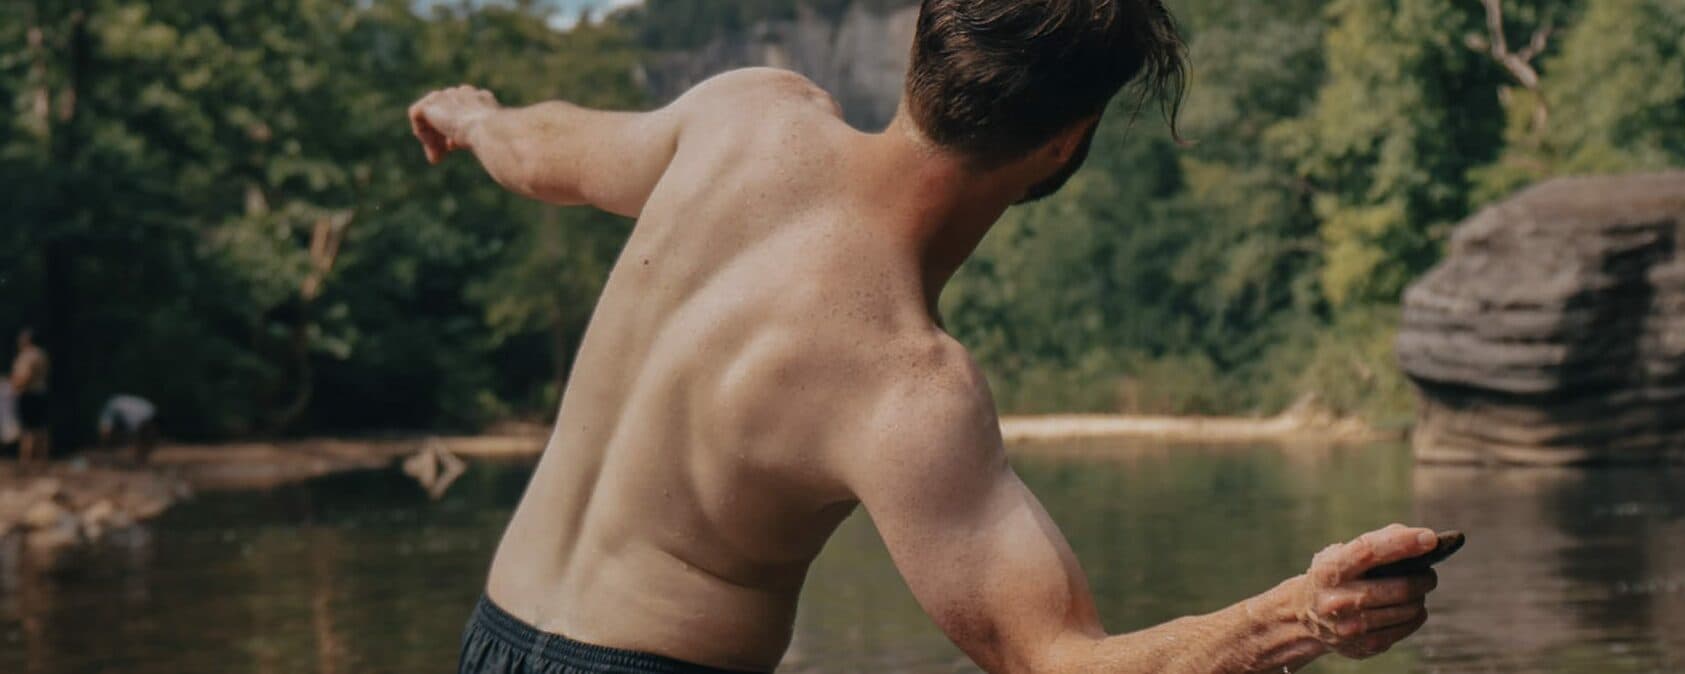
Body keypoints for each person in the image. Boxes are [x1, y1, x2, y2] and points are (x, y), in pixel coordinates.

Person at [408, 2, 1443, 673]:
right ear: (1062, 144)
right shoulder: (905, 384)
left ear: (923, 45)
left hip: (492, 636)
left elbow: (545, 150)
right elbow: (1055, 660)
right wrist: (1301, 615)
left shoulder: (741, 116)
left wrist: (472, 117)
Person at [12, 329, 48, 467]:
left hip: (28, 393)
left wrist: (15, 386)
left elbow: (26, 375)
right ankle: (42, 460)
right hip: (40, 392)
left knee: (28, 429)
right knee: (41, 427)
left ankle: (26, 461)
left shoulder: (27, 355)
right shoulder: (42, 354)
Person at [97, 394, 159, 465]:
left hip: (146, 415)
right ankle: (140, 459)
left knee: (142, 439)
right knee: (144, 439)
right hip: (148, 411)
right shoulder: (115, 405)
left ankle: (139, 459)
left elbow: (106, 428)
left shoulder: (112, 407)